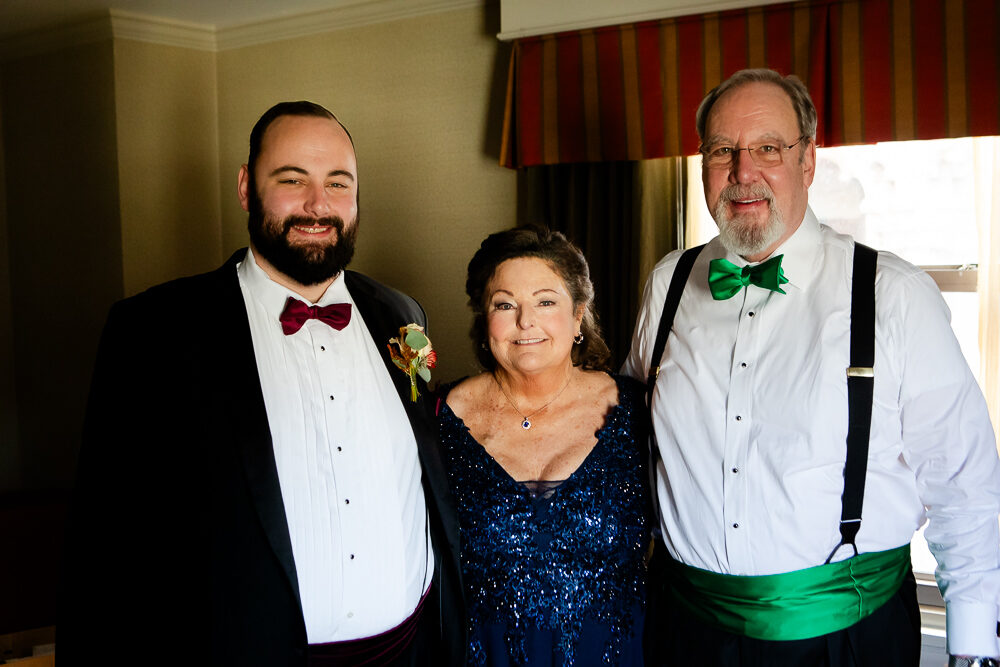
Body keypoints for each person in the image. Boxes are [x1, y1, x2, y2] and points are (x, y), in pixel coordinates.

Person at [58, 101, 465, 666]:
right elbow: (103, 544)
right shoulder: (153, 330)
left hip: (412, 650)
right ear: (248, 187)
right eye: (292, 180)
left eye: (337, 183)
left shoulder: (401, 313)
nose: (318, 205)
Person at [625, 68, 1000, 666]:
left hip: (845, 641)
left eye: (768, 149)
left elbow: (965, 486)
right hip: (682, 633)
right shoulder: (667, 284)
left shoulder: (895, 294)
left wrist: (975, 649)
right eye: (724, 151)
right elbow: (631, 438)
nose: (744, 173)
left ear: (808, 162)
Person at [438, 227, 652, 666]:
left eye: (546, 301)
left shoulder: (638, 409)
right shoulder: (439, 421)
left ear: (578, 316)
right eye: (504, 304)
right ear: (484, 318)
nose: (525, 321)